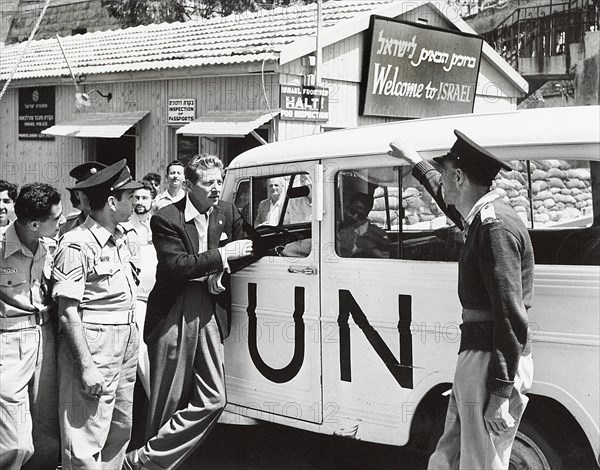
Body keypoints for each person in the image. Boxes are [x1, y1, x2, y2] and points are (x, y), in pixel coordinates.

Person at [389, 130, 534, 470]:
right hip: (480, 357)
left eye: (445, 174)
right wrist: (414, 160)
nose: (441, 182)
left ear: (458, 177)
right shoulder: (483, 219)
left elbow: (510, 316)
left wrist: (499, 392)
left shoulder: (494, 227)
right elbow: (450, 203)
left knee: (480, 463)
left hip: (491, 362)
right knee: (450, 455)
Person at [123, 154, 253, 470]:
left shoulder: (228, 210)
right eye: (208, 183)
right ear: (189, 185)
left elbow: (251, 246)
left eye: (219, 182)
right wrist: (221, 255)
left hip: (209, 309)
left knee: (214, 399)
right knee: (166, 400)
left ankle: (144, 459)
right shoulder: (166, 217)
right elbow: (177, 267)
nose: (216, 188)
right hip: (173, 310)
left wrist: (220, 271)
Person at [52, 160, 143, 469]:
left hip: (126, 340)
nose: (136, 202)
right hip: (96, 343)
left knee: (119, 428)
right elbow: (67, 312)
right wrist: (87, 366)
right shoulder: (76, 243)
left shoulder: (124, 237)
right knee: (86, 435)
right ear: (113, 201)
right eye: (130, 196)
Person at [0, 183, 64, 470]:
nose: (62, 220)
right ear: (36, 224)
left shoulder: (50, 247)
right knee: (14, 442)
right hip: (8, 344)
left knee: (46, 435)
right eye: (56, 217)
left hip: (45, 337)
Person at [60, 162, 107, 236]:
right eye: (87, 191)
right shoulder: (66, 227)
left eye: (97, 191)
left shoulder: (120, 227)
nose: (92, 196)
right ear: (77, 194)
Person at [338, 192, 390, 258]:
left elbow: (387, 248)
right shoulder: (335, 230)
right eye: (352, 211)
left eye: (360, 215)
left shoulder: (377, 233)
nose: (355, 217)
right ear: (347, 208)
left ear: (367, 213)